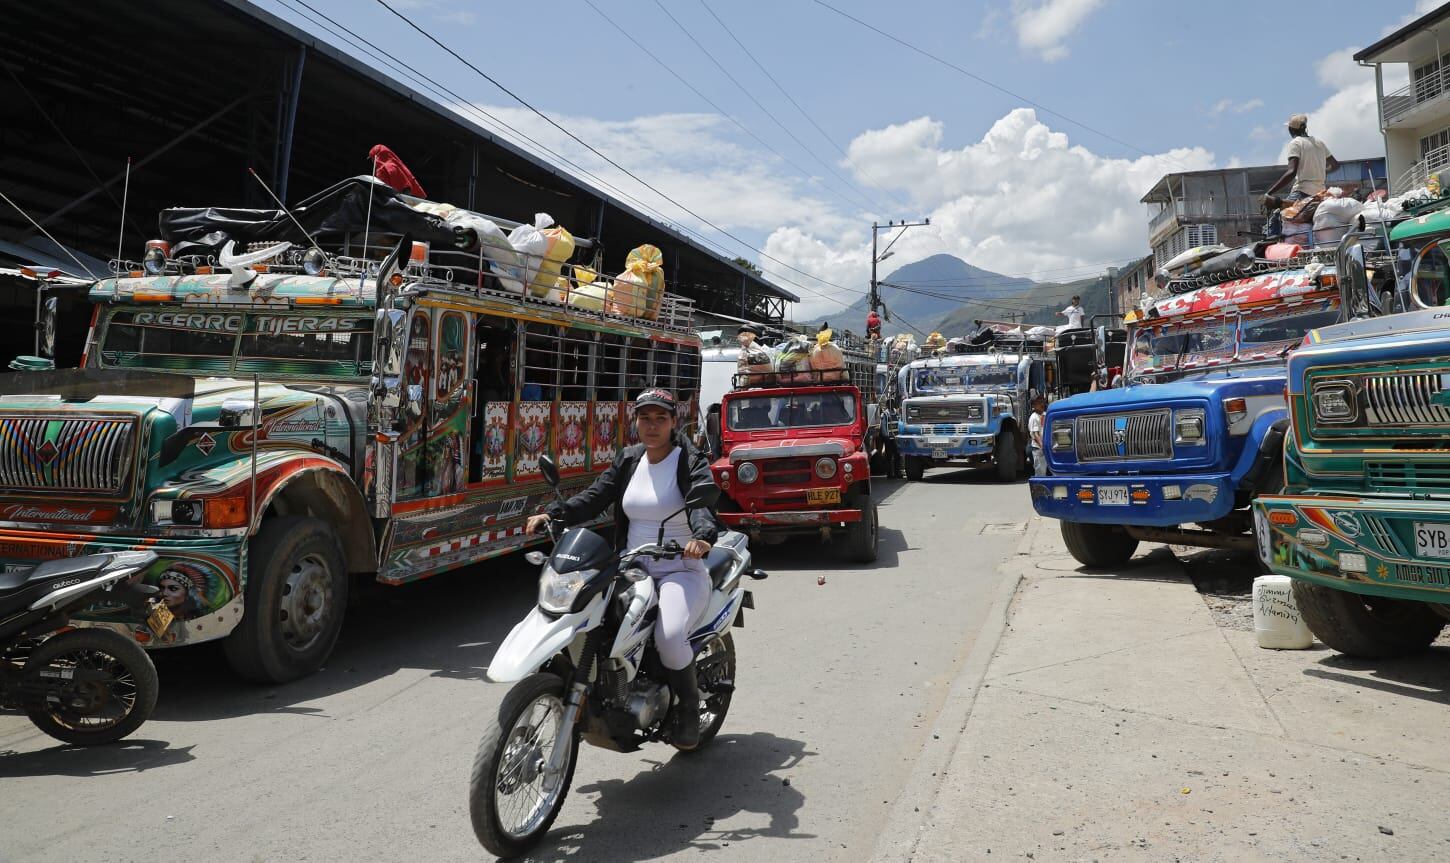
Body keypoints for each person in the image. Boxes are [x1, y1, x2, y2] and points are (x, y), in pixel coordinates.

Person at [524, 388, 718, 748]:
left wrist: (703, 537)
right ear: (636, 422)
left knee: (670, 636)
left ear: (674, 422)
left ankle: (688, 708)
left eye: (661, 418)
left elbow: (702, 502)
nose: (652, 425)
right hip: (630, 568)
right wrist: (552, 514)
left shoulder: (687, 460)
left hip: (680, 568)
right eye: (645, 418)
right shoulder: (630, 459)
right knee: (587, 620)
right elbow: (595, 497)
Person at [1266, 114, 1338, 203]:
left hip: (1302, 192)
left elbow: (1292, 172)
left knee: (1279, 215)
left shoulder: (1296, 143)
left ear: (1291, 130)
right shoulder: (1319, 143)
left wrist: (1269, 193)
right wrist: (1323, 171)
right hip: (1321, 193)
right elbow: (1335, 165)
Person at [1028, 396, 1047, 477]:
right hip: (1038, 448)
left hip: (1045, 448)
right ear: (1034, 406)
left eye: (1042, 402)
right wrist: (1042, 446)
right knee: (1040, 472)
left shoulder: (1045, 414)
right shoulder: (1034, 417)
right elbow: (1035, 435)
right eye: (1038, 403)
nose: (1042, 404)